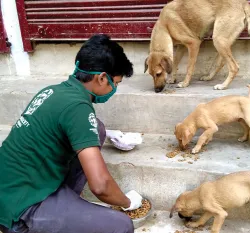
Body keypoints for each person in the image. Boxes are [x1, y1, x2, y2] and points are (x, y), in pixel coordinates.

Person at [0, 34, 143, 233]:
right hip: (21, 207)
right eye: (115, 83)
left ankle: (66, 203)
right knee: (122, 226)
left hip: (12, 184)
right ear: (102, 78)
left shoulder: (53, 91)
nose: (114, 89)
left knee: (98, 129)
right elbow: (100, 186)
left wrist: (108, 133)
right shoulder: (78, 107)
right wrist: (128, 203)